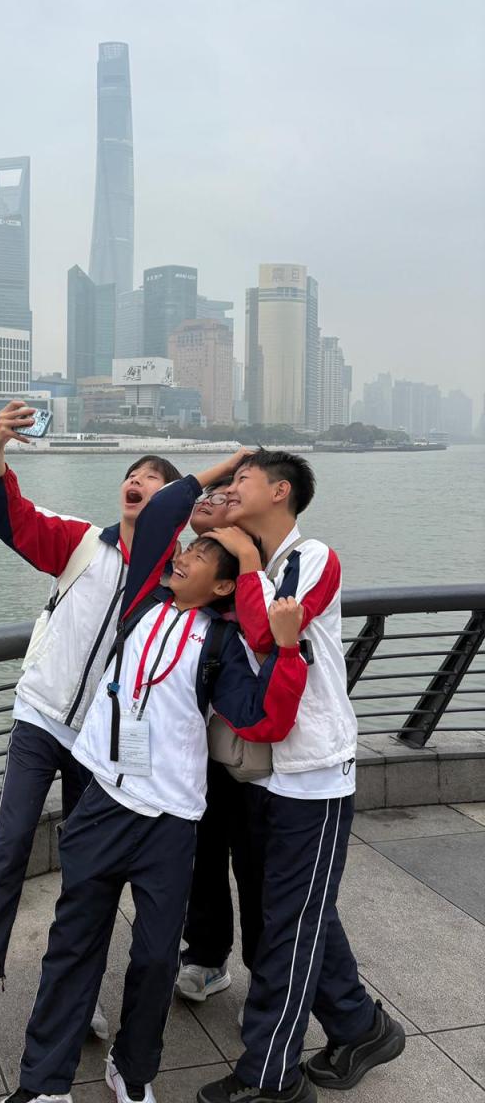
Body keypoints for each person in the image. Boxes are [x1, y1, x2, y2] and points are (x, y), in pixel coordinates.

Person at [0, 400, 245, 1037]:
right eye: (133, 474)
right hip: (41, 716)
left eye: (153, 478)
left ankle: (79, 992)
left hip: (101, 745)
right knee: (11, 834)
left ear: (170, 502)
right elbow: (14, 520)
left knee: (87, 874)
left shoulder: (174, 581)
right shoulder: (81, 542)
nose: (137, 481)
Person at [0, 473, 310, 1103]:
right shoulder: (143, 599)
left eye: (201, 557)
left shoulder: (221, 643)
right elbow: (168, 508)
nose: (185, 556)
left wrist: (285, 650)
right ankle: (44, 1082)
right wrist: (223, 472)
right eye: (187, 549)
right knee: (73, 943)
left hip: (169, 820)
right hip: (102, 803)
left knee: (156, 957)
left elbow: (265, 721)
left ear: (223, 586)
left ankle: (133, 1069)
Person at [196, 450, 406, 1103]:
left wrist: (247, 561)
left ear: (280, 491)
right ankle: (360, 1027)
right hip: (260, 772)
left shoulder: (313, 558)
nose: (232, 488)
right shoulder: (243, 559)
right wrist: (226, 536)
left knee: (289, 926)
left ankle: (271, 1077)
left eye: (243, 480)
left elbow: (265, 635)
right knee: (297, 910)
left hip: (312, 774)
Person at [177, 479, 264, 1007]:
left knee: (256, 865)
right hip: (197, 745)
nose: (213, 502)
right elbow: (181, 520)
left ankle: (267, 980)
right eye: (211, 495)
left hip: (249, 748)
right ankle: (207, 957)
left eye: (230, 494)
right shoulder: (194, 565)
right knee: (202, 855)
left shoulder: (265, 561)